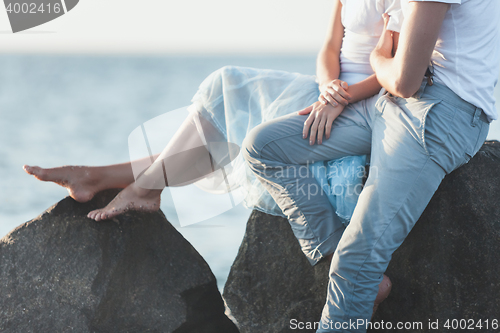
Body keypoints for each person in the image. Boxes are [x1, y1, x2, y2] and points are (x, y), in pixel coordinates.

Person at [24, 0, 402, 319]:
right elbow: (329, 47)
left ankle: (121, 181)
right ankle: (110, 178)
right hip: (325, 91)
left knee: (235, 133)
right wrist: (326, 88)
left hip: (366, 104)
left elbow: (396, 68)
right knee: (228, 88)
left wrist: (341, 99)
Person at [242, 0, 500, 332]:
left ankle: (350, 273)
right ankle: (330, 250)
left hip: (437, 112)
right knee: (263, 147)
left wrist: (377, 59)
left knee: (356, 261)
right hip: (388, 102)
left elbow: (403, 78)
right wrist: (337, 94)